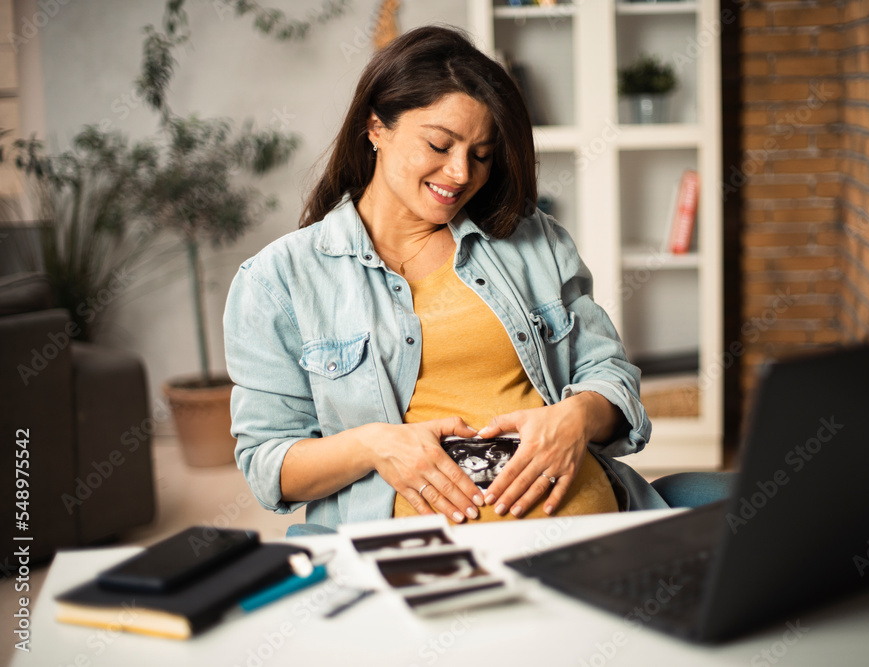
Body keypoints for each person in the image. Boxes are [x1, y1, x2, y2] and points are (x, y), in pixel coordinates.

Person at [224, 25, 713, 534]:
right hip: (415, 563)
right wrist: (376, 445)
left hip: (598, 532)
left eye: (481, 154)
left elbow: (609, 374)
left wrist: (578, 417)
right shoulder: (277, 281)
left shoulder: (532, 239)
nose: (460, 173)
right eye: (439, 144)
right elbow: (268, 465)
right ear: (375, 127)